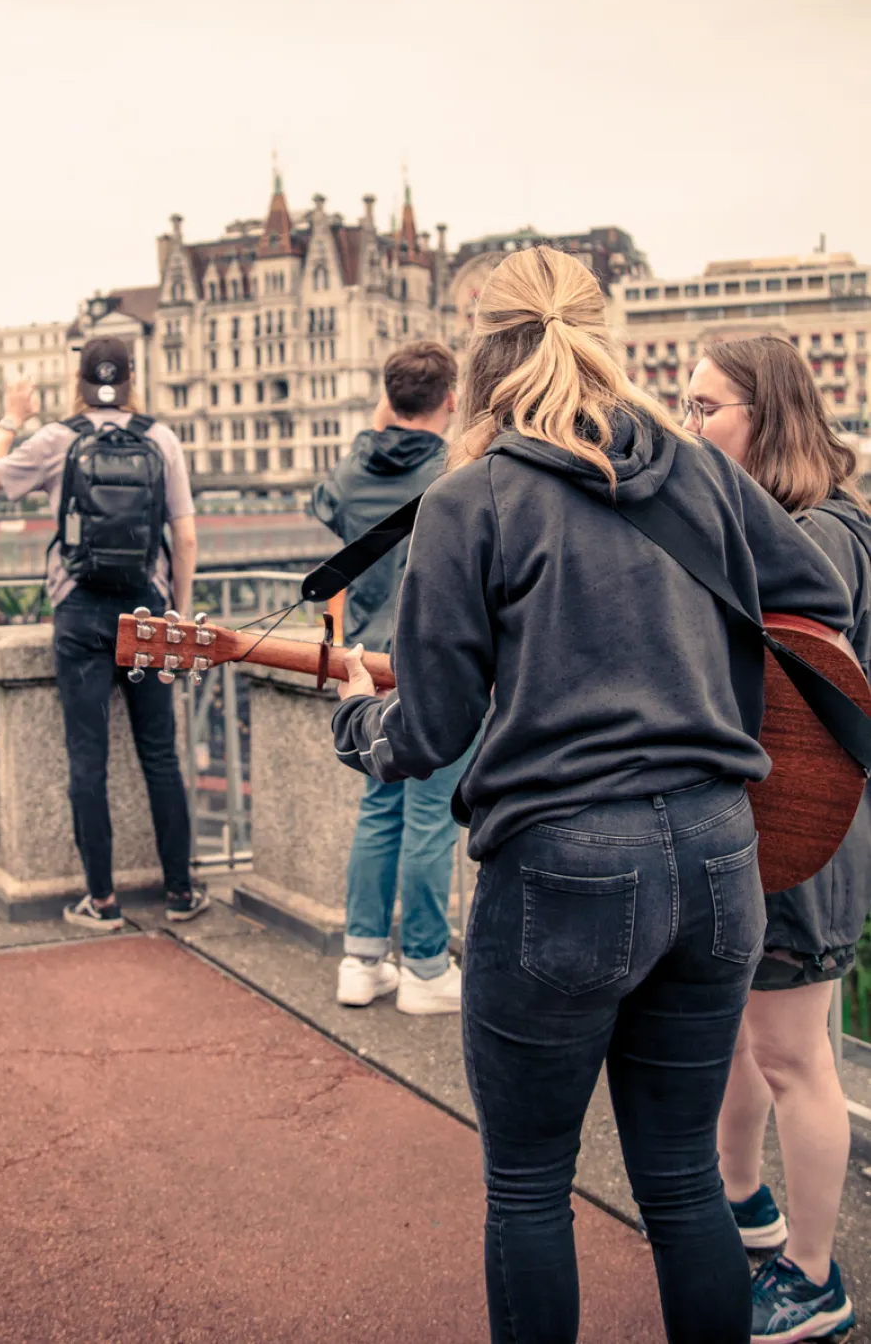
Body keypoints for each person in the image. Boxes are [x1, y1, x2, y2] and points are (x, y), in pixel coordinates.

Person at [331, 246, 850, 1344]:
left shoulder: (472, 498)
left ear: (485, 355)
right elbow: (815, 597)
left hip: (567, 864)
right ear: (604, 339)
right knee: (678, 1179)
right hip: (718, 855)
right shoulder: (698, 470)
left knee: (528, 1185)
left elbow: (425, 730)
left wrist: (352, 722)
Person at [690, 336, 865, 1341]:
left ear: (768, 416)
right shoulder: (817, 522)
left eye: (708, 407)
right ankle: (747, 1204)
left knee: (795, 1057)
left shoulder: (819, 539)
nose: (692, 427)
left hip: (806, 831)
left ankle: (812, 1274)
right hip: (789, 827)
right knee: (750, 1043)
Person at [0, 338, 208, 928]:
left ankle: (101, 900)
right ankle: (180, 892)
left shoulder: (59, 438)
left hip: (78, 612)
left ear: (78, 380)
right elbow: (186, 538)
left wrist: (11, 418)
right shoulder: (161, 438)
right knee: (160, 755)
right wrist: (176, 614)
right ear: (133, 378)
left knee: (87, 758)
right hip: (148, 612)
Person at [312, 340, 467, 1014]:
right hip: (436, 665)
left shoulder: (349, 474)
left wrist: (381, 420)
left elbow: (332, 515)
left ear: (387, 397)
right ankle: (427, 969)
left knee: (380, 809)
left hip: (367, 664)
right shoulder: (458, 473)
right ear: (453, 400)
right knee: (431, 816)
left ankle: (363, 960)